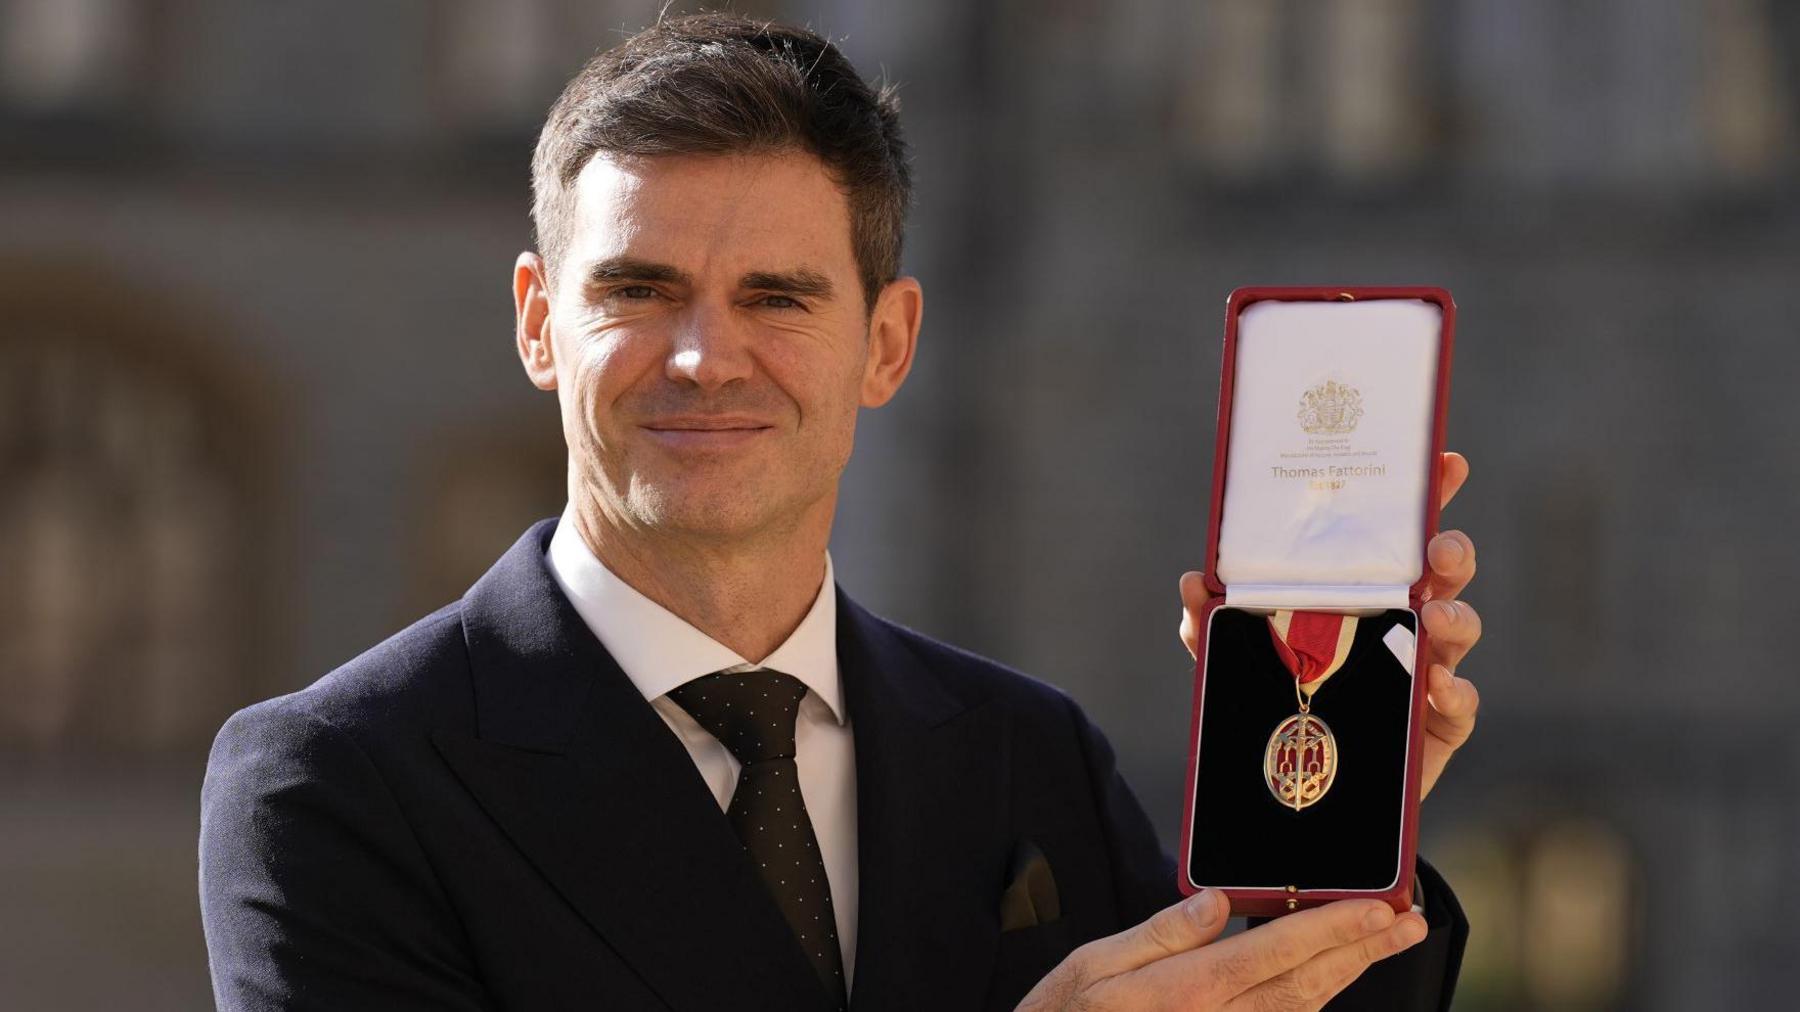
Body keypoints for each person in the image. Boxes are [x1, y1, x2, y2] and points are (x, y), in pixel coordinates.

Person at [199, 13, 1482, 1011]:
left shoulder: (1028, 757)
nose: (706, 357)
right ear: (540, 322)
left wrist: (1336, 821)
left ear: (888, 341)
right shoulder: (338, 782)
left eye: (778, 298)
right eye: (640, 290)